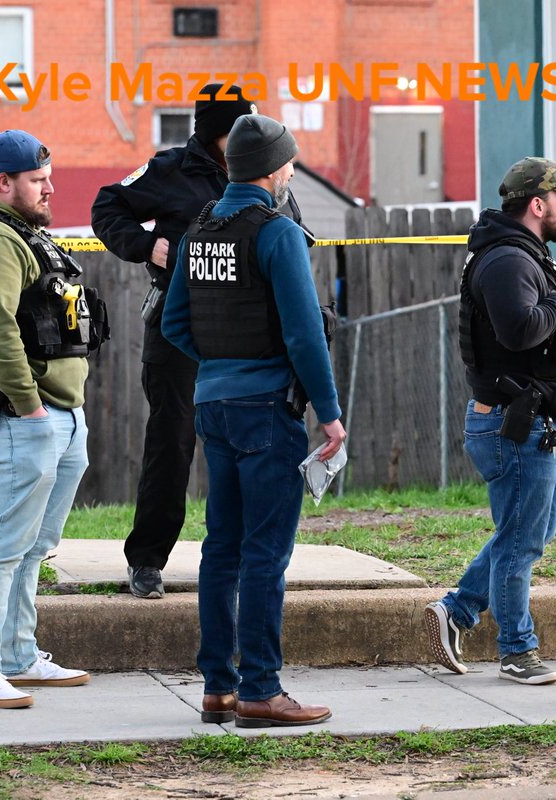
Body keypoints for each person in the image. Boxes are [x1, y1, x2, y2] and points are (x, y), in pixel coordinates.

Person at [161, 114, 346, 727]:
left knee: (223, 550)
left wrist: (220, 368)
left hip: (212, 406)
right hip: (268, 409)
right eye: (289, 161)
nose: (291, 170)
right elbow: (303, 332)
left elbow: (174, 324)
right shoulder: (278, 231)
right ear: (273, 169)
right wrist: (330, 412)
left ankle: (218, 687)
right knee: (267, 553)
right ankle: (262, 689)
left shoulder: (201, 229)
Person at [0, 130, 105, 708]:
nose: (48, 186)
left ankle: (17, 655)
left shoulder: (21, 232)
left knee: (35, 544)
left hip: (56, 411)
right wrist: (32, 407)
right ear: (2, 181)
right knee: (3, 543)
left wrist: (58, 411)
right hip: (17, 412)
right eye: (37, 180)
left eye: (47, 176)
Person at [424, 157, 556, 686]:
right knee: (520, 540)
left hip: (534, 420)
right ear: (539, 204)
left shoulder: (527, 257)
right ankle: (517, 650)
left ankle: (457, 610)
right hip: (515, 424)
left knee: (527, 533)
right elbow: (519, 330)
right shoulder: (506, 261)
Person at [91, 86, 257, 600]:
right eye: (237, 129)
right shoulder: (170, 169)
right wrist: (147, 245)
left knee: (249, 440)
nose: (246, 138)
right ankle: (146, 561)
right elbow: (108, 204)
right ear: (212, 134)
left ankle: (249, 557)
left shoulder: (260, 168)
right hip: (177, 327)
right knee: (172, 441)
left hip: (242, 331)